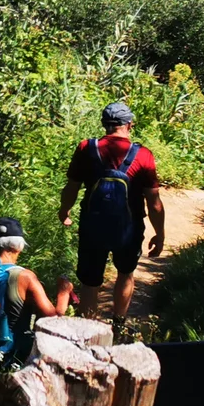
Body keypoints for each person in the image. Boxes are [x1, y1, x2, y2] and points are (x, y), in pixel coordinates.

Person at [60, 101, 164, 333]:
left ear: (104, 124)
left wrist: (64, 210)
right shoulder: (143, 155)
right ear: (129, 125)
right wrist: (160, 234)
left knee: (90, 282)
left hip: (92, 225)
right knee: (125, 273)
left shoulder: (86, 148)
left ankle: (87, 332)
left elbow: (72, 187)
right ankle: (118, 325)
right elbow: (154, 202)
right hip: (129, 227)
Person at [0, 216, 74, 368]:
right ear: (19, 246)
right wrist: (64, 293)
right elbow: (54, 320)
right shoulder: (24, 277)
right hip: (13, 358)